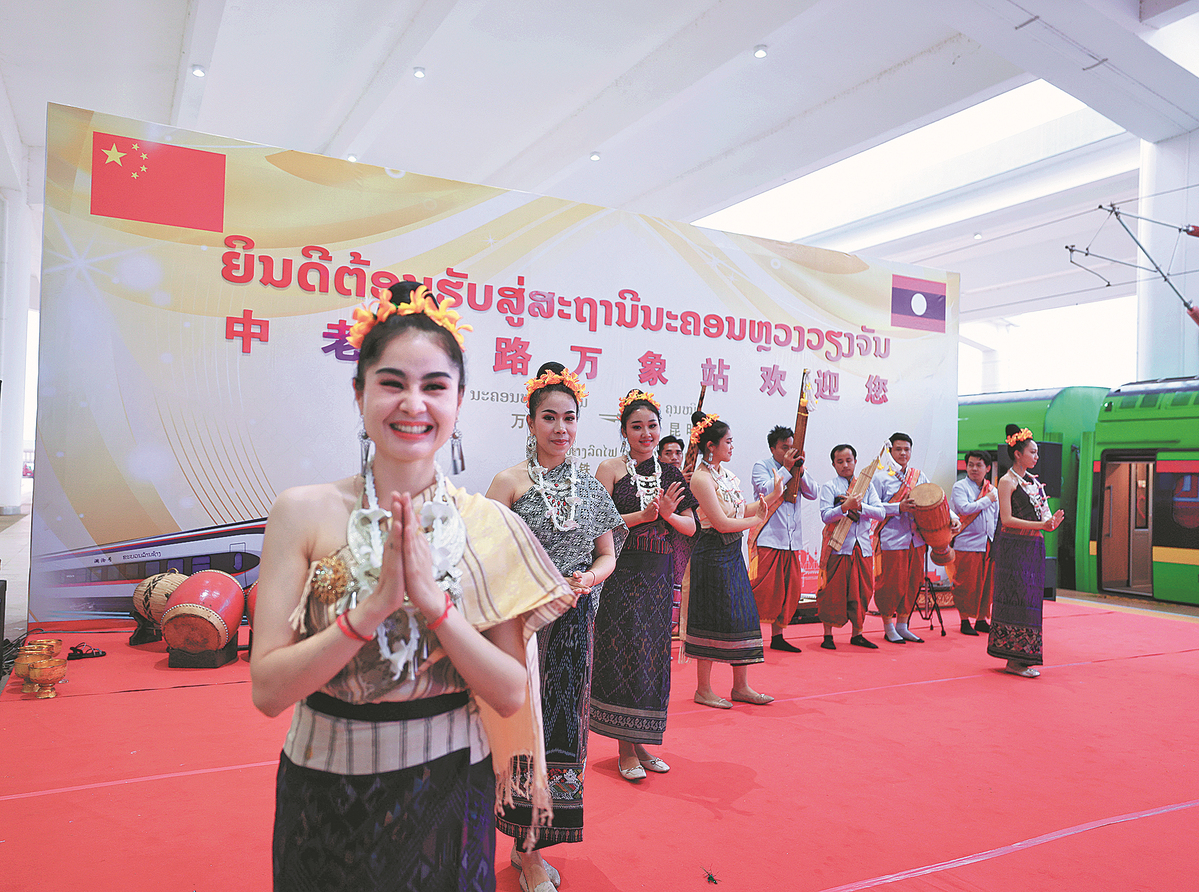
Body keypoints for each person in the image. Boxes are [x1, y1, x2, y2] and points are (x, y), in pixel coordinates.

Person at [251, 282, 575, 892]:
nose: (413, 404)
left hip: (449, 790)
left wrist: (434, 605)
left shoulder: (489, 525)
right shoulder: (303, 512)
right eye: (392, 382)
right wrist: (369, 611)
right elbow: (268, 691)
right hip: (324, 788)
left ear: (458, 401)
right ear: (360, 392)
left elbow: (509, 693)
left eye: (434, 387)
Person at [487, 362, 622, 892]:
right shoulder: (509, 483)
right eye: (549, 418)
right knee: (521, 735)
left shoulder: (589, 488)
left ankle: (533, 850)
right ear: (530, 421)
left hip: (573, 631)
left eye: (569, 418)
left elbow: (608, 555)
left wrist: (587, 577)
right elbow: (485, 553)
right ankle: (519, 847)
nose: (560, 428)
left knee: (563, 738)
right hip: (521, 632)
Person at [592, 390, 697, 781]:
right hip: (620, 575)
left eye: (652, 426)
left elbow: (691, 526)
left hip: (657, 579)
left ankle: (641, 743)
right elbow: (598, 526)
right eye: (637, 426)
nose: (646, 433)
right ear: (624, 431)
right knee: (624, 655)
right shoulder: (610, 469)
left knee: (652, 661)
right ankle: (624, 750)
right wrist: (644, 515)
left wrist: (667, 516)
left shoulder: (670, 473)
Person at [684, 411, 784, 708]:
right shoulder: (701, 479)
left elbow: (739, 512)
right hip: (711, 552)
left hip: (731, 552)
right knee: (710, 617)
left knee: (741, 615)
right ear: (711, 446)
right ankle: (703, 689)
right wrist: (757, 519)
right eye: (728, 442)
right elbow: (721, 522)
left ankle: (741, 686)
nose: (732, 446)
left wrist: (775, 494)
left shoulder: (725, 475)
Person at [988, 425, 1064, 678]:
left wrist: (1050, 524)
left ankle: (1022, 658)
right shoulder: (1006, 481)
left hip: (1033, 547)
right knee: (1016, 598)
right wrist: (1041, 525)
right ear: (1018, 454)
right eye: (1032, 452)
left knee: (1030, 601)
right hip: (1014, 548)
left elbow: (1043, 518)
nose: (1036, 457)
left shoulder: (1032, 482)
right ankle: (1014, 660)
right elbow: (1007, 519)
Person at [749, 425, 817, 653]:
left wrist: (800, 469)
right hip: (768, 537)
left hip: (791, 540)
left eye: (792, 448)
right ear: (773, 448)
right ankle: (751, 636)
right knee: (763, 590)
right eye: (784, 448)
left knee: (789, 590)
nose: (789, 452)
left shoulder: (798, 467)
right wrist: (787, 469)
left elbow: (813, 492)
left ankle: (778, 637)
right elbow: (766, 492)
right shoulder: (762, 466)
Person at [816, 444, 884, 649]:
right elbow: (825, 515)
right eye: (840, 462)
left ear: (855, 461)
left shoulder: (867, 486)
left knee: (862, 592)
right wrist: (844, 508)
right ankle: (828, 636)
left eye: (849, 460)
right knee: (832, 592)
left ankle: (858, 634)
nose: (845, 465)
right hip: (837, 547)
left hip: (861, 547)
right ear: (833, 464)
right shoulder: (830, 486)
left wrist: (860, 506)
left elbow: (880, 513)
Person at [871, 432, 930, 643]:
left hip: (917, 539)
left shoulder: (919, 476)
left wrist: (950, 517)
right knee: (891, 584)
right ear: (890, 451)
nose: (903, 453)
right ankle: (888, 626)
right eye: (898, 449)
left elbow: (934, 498)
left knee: (912, 582)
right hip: (892, 538)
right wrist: (898, 507)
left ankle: (903, 625)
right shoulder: (879, 477)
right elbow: (873, 507)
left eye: (906, 449)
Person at [950, 450, 999, 636]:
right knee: (965, 583)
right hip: (966, 543)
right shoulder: (960, 487)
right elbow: (964, 508)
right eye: (970, 464)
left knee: (987, 583)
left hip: (987, 543)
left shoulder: (992, 490)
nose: (974, 468)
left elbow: (995, 518)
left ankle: (981, 619)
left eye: (979, 465)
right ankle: (964, 620)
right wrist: (987, 500)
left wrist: (994, 541)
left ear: (987, 468)